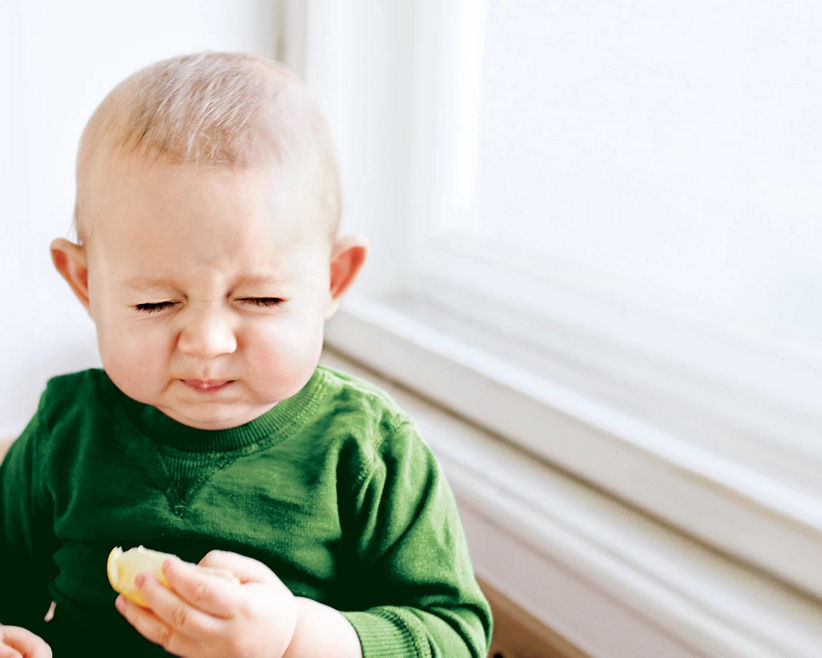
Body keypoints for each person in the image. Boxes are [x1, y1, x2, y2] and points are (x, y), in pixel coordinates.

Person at [0, 52, 492, 657]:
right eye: (155, 304)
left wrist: (297, 638)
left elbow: (455, 635)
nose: (207, 343)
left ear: (332, 281)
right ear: (85, 286)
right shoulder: (64, 430)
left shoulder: (366, 447)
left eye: (259, 298)